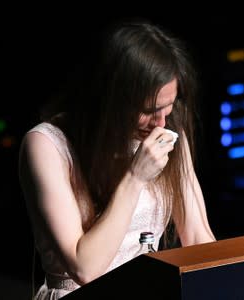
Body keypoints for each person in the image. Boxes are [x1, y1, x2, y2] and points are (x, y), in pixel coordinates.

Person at [18, 18, 216, 299]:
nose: (160, 123)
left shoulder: (168, 131)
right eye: (149, 110)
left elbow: (198, 239)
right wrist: (135, 177)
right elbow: (85, 269)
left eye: (168, 108)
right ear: (112, 97)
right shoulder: (47, 145)